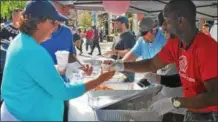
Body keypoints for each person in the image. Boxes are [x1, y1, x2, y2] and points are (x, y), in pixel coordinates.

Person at [0, 1, 115, 121]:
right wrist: (99, 80)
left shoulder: (22, 40)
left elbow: (29, 73)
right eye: (53, 22)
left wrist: (55, 69)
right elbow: (63, 92)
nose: (56, 27)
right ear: (39, 23)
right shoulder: (32, 51)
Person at [107, 0, 218, 121]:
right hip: (191, 109)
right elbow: (152, 64)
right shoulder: (175, 43)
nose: (163, 26)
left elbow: (214, 96)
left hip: (211, 114)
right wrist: (121, 66)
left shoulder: (207, 48)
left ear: (181, 21)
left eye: (166, 21)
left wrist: (175, 102)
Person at [121, 15, 184, 122]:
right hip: (169, 93)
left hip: (185, 101)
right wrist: (157, 79)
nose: (165, 34)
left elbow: (186, 81)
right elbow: (152, 64)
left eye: (167, 32)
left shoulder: (185, 47)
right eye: (163, 31)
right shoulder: (171, 45)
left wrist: (174, 102)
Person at [0, 8, 23, 105]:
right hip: (5, 62)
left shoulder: (24, 31)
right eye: (14, 15)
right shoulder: (5, 29)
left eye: (18, 15)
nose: (15, 17)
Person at [104, 16, 136, 83]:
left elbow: (129, 53)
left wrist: (113, 52)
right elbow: (117, 52)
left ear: (123, 24)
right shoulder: (120, 36)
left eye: (116, 23)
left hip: (126, 74)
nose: (114, 25)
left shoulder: (129, 36)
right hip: (118, 71)